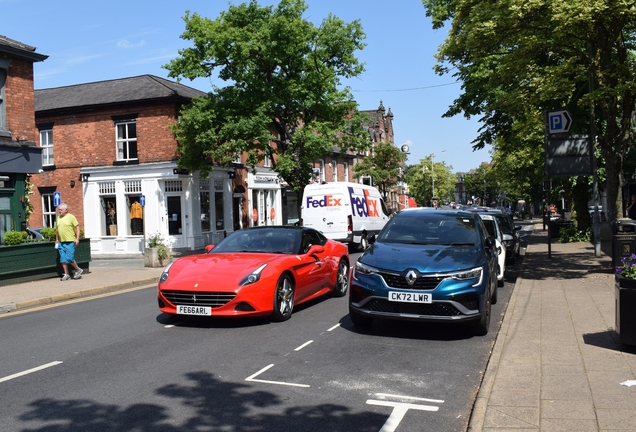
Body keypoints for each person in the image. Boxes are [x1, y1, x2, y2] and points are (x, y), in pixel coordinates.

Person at [55, 203, 83, 281]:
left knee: (70, 258)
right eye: (59, 210)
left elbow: (77, 227)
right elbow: (57, 229)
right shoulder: (58, 218)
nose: (59, 211)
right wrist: (56, 239)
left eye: (61, 210)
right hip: (61, 241)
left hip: (70, 241)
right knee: (63, 259)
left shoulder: (71, 217)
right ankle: (66, 274)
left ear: (66, 210)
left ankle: (78, 269)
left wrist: (77, 238)